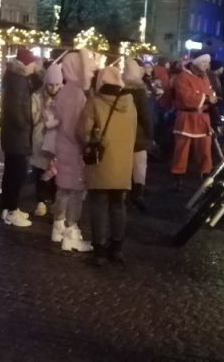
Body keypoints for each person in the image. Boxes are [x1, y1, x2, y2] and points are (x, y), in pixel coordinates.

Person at [80, 65, 137, 262]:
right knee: (118, 204)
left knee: (98, 204)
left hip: (101, 162)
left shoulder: (94, 102)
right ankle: (117, 248)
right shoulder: (130, 103)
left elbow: (83, 132)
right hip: (123, 164)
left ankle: (99, 250)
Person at [51, 50, 95, 250]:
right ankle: (71, 230)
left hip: (63, 145)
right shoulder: (76, 94)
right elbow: (74, 127)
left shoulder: (65, 91)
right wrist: (85, 142)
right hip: (74, 148)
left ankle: (58, 225)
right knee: (76, 189)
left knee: (63, 187)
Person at [0, 49, 38, 227]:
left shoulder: (15, 78)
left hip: (12, 135)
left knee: (12, 171)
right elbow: (15, 109)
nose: (35, 66)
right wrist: (26, 125)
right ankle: (11, 210)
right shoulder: (18, 81)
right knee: (17, 172)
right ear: (26, 64)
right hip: (17, 136)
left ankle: (8, 207)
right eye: (33, 63)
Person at [170, 53, 216, 186]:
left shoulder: (204, 77)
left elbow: (210, 93)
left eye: (207, 63)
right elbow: (186, 97)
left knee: (205, 148)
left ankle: (205, 172)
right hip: (187, 117)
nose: (206, 65)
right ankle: (178, 175)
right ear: (195, 63)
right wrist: (206, 99)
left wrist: (210, 98)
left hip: (202, 118)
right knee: (182, 149)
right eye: (203, 62)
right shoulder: (182, 77)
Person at [30, 63, 62, 217]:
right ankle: (41, 202)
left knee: (57, 173)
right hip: (41, 140)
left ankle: (56, 203)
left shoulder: (64, 97)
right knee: (40, 172)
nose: (54, 88)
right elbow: (33, 118)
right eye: (50, 85)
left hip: (58, 141)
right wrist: (43, 113)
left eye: (57, 85)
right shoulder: (36, 96)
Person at [123, 58, 154, 211]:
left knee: (126, 165)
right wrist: (150, 134)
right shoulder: (139, 91)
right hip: (138, 134)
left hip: (123, 133)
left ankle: (125, 194)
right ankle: (137, 194)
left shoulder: (120, 89)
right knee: (139, 166)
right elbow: (145, 115)